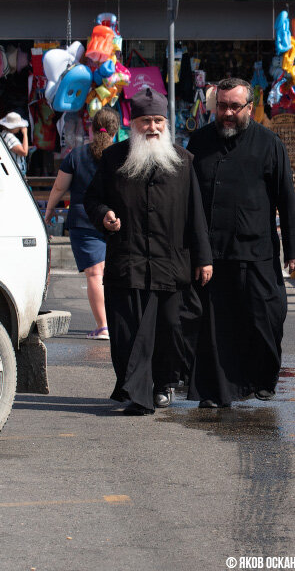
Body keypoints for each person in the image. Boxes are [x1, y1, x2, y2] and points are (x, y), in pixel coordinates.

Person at [84, 88, 212, 415]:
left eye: (158, 121)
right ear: (133, 123)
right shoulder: (114, 158)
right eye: (146, 121)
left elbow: (196, 213)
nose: (152, 127)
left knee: (171, 331)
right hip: (128, 263)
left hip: (172, 265)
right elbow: (92, 199)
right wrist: (104, 216)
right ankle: (137, 393)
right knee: (127, 333)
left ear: (166, 124)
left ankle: (165, 384)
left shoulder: (184, 162)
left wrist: (204, 258)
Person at [184, 77, 295, 409]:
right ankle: (214, 390)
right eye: (221, 106)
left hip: (257, 250)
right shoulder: (199, 142)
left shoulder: (269, 144)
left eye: (234, 107)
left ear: (249, 108)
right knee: (215, 326)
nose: (226, 113)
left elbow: (286, 200)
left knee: (266, 317)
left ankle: (262, 379)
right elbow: (186, 199)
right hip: (212, 252)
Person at [43, 108, 120, 340]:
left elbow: (59, 187)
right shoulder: (120, 155)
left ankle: (103, 326)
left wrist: (48, 213)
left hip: (84, 222)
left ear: (90, 129)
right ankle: (116, 326)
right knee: (115, 276)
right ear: (116, 132)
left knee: (95, 275)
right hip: (115, 221)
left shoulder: (76, 155)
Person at [0, 111, 30, 176]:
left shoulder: (4, 135)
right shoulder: (9, 137)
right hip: (17, 172)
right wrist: (25, 134)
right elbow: (24, 152)